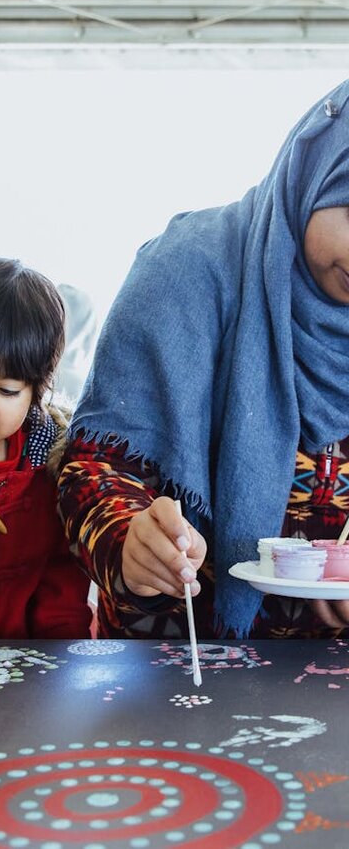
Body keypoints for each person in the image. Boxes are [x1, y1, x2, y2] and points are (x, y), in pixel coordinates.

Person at [58, 78, 349, 641]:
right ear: (314, 178)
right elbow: (95, 468)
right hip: (176, 671)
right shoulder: (185, 272)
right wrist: (128, 541)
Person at [0, 253, 92, 639]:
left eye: (7, 390)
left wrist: (63, 659)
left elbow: (61, 582)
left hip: (19, 679)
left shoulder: (51, 469)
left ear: (35, 392)